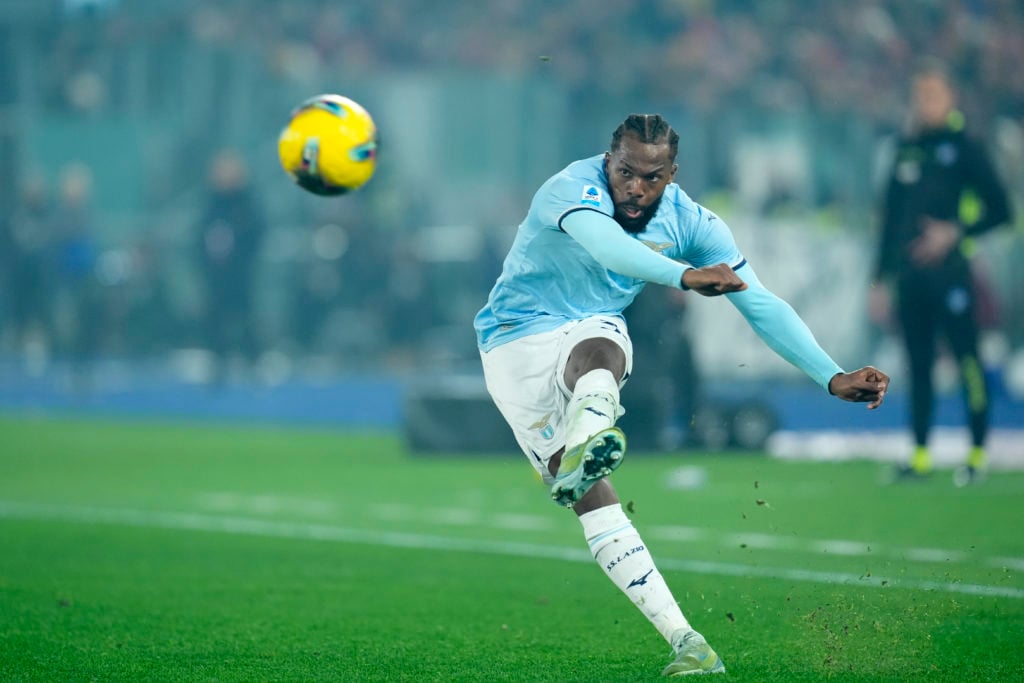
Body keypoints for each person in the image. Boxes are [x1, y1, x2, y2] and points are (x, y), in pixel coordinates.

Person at [474, 114, 890, 677]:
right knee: (585, 488)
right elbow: (610, 250)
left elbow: (759, 301)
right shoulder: (570, 189)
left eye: (651, 177)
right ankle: (582, 441)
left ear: (673, 173)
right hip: (511, 343)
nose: (636, 188)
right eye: (625, 172)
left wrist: (831, 375)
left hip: (586, 330)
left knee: (606, 349)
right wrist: (684, 277)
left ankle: (688, 643)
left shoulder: (692, 221)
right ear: (609, 159)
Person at [870, 64, 1012, 486]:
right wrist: (879, 279)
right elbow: (891, 221)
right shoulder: (906, 148)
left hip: (952, 275)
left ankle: (978, 452)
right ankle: (919, 454)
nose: (924, 103)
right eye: (919, 95)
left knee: (968, 359)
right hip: (911, 278)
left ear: (951, 98)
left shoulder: (965, 147)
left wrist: (954, 232)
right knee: (919, 365)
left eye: (933, 94)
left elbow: (1002, 210)